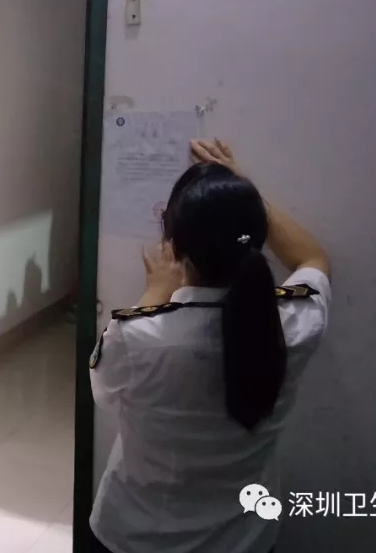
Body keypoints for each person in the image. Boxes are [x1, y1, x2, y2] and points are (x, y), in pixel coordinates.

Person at [89, 139, 332, 553]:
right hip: (243, 540)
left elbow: (102, 390)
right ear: (254, 237)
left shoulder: (138, 336)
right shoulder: (297, 322)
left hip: (135, 538)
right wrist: (238, 190)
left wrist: (156, 291)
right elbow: (313, 259)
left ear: (175, 247)